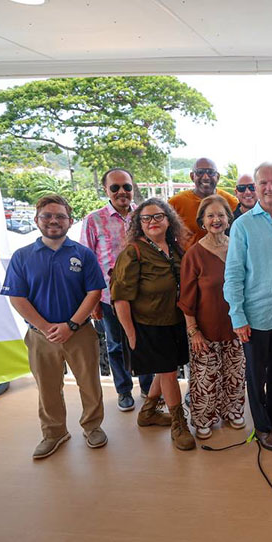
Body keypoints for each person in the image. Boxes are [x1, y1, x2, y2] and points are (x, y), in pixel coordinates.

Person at [2, 194, 107, 459]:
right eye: (47, 215)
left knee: (90, 385)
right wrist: (47, 327)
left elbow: (94, 292)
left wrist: (71, 325)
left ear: (70, 221)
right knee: (48, 388)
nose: (53, 221)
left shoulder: (83, 254)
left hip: (80, 333)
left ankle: (92, 427)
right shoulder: (22, 256)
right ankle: (54, 432)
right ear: (37, 220)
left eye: (60, 216)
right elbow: (17, 297)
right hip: (40, 336)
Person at [224, 162, 272, 451]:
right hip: (254, 315)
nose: (270, 188)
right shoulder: (243, 225)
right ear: (255, 188)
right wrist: (237, 315)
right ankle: (262, 427)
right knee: (257, 374)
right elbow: (233, 274)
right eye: (263, 183)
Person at [111, 199, 194, 451]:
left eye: (158, 216)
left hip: (175, 322)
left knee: (165, 368)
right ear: (139, 224)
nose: (152, 222)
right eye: (145, 218)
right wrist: (130, 333)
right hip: (148, 325)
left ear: (169, 220)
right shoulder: (133, 251)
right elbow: (120, 297)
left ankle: (147, 413)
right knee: (169, 372)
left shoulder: (176, 248)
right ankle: (179, 424)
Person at [80, 168, 159, 417]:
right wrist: (91, 302)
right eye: (115, 187)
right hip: (108, 298)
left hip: (143, 295)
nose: (122, 192)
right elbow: (87, 262)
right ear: (106, 190)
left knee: (144, 342)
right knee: (115, 345)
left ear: (133, 187)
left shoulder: (145, 216)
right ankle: (124, 390)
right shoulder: (93, 220)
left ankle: (147, 387)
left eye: (126, 186)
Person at [179, 195, 246, 440]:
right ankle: (203, 418)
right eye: (210, 215)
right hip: (204, 329)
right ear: (202, 221)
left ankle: (233, 411)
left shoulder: (239, 247)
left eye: (221, 215)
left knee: (235, 373)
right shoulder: (194, 254)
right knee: (204, 377)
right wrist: (193, 330)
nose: (216, 219)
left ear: (229, 219)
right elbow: (186, 299)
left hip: (237, 326)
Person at [168, 158, 238, 249]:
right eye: (200, 172)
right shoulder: (175, 203)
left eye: (210, 172)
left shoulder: (231, 202)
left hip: (224, 257)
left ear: (217, 176)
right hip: (188, 259)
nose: (205, 177)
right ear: (192, 176)